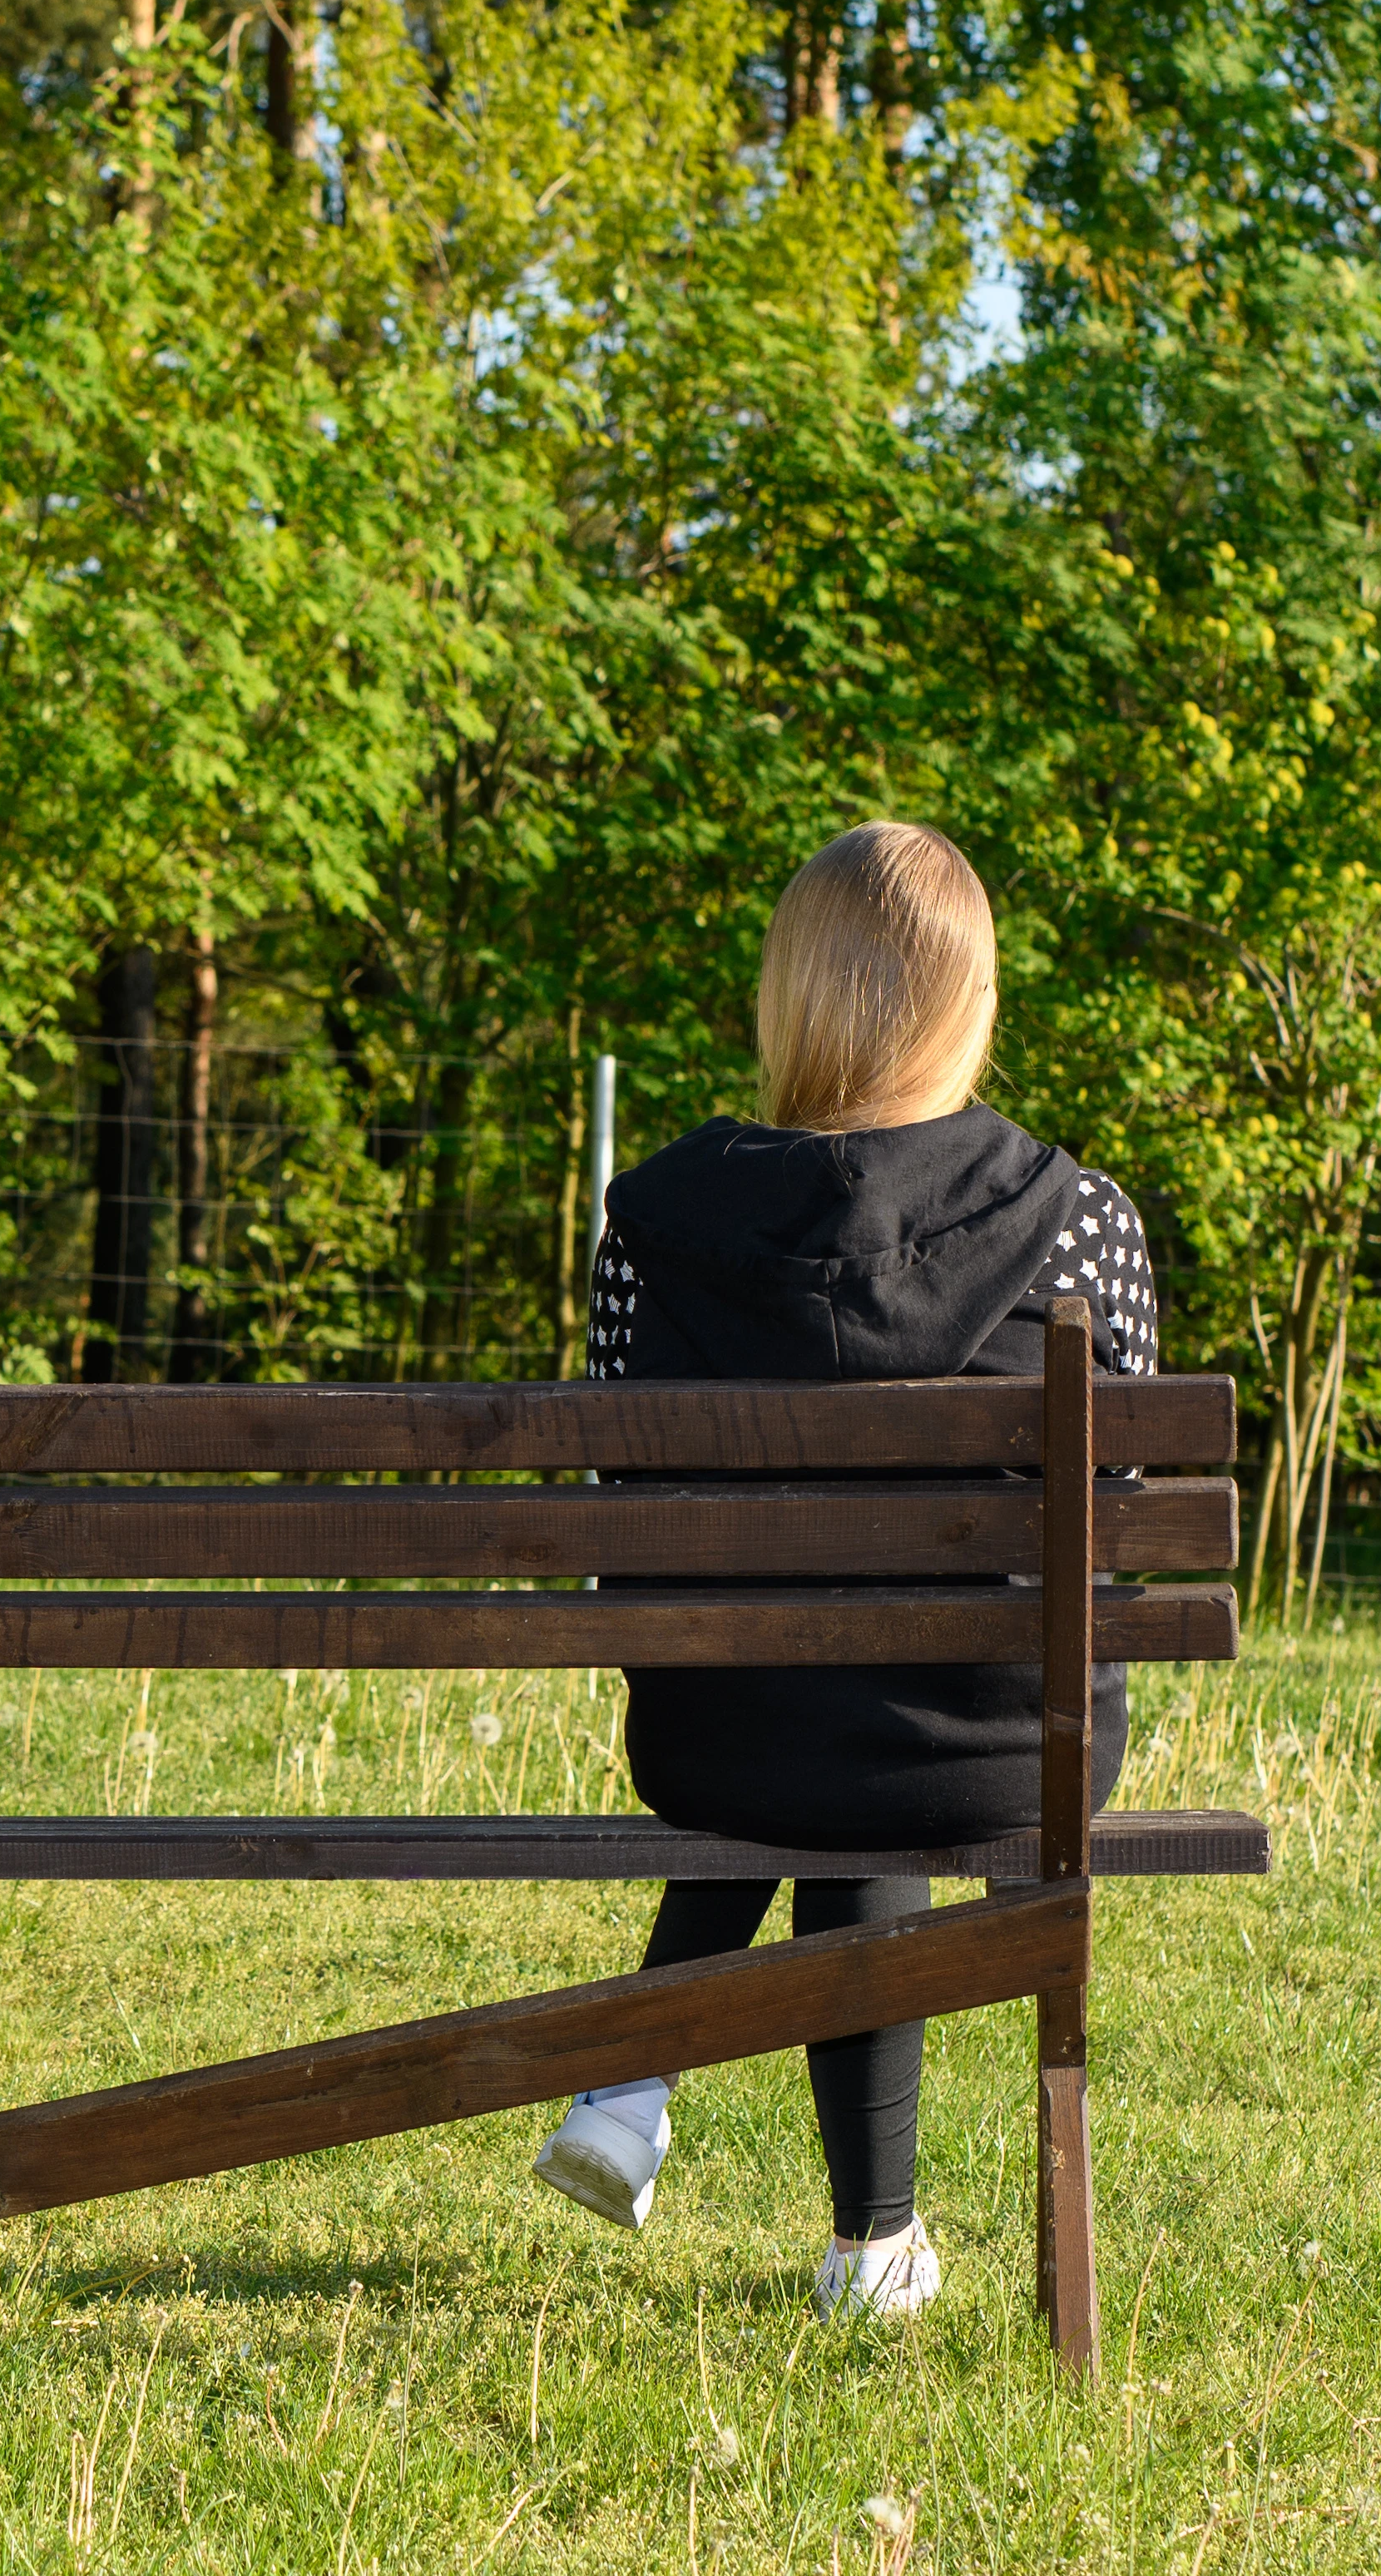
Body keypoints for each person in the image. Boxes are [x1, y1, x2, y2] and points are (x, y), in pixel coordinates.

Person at [528, 820, 1161, 2320]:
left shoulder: (649, 1222)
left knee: (802, 1688)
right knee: (870, 1692)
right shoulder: (1082, 1218)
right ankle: (867, 2243)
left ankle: (640, 2094)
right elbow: (1126, 1510)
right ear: (972, 1002)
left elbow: (629, 1499)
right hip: (1004, 1749)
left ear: (787, 996)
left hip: (725, 1735)